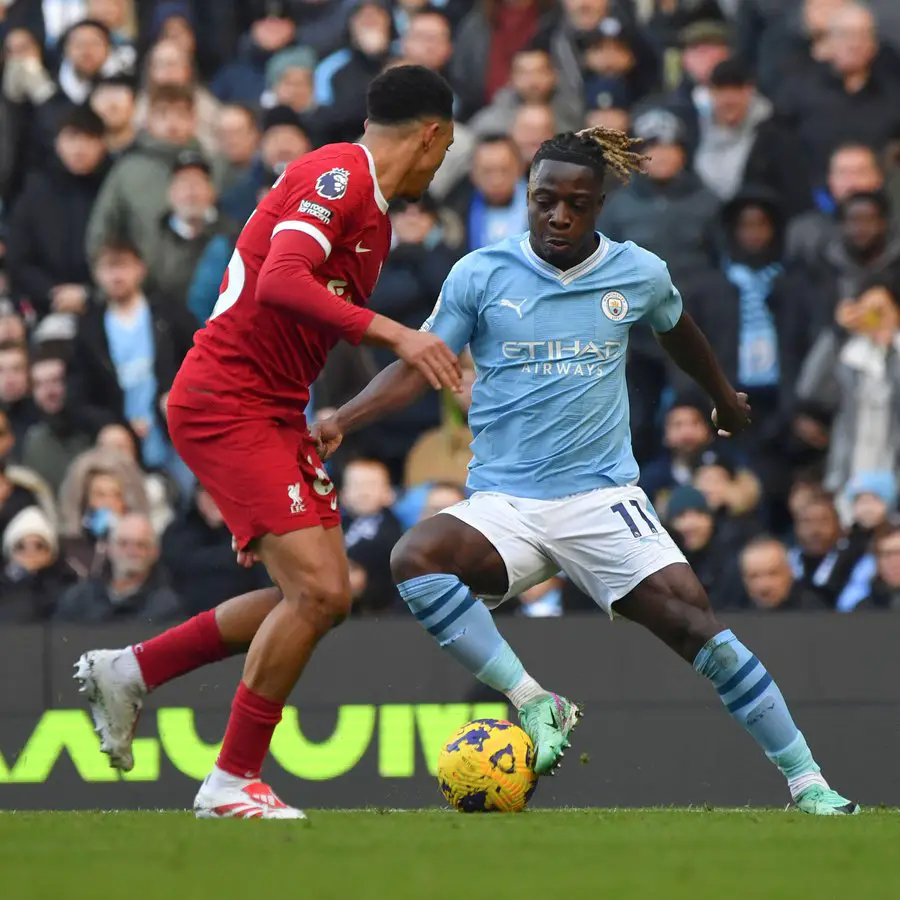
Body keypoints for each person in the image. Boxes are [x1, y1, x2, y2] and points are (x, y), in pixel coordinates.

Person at [314, 126, 858, 815]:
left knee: (701, 631)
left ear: (599, 204)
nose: (558, 216)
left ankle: (808, 782)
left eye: (576, 203)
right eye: (545, 200)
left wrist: (722, 396)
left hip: (601, 498)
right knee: (415, 558)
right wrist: (341, 419)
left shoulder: (637, 272)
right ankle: (536, 702)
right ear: (528, 196)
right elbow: (417, 367)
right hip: (504, 502)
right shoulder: (480, 274)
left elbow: (677, 328)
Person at [75, 65, 460, 820]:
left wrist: (335, 414)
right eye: (444, 150)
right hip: (227, 401)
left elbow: (306, 315)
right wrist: (397, 335)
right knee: (318, 590)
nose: (441, 162)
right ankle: (230, 780)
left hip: (275, 410)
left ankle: (132, 670)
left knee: (322, 594)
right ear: (433, 134)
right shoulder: (335, 175)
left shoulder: (373, 216)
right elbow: (282, 281)